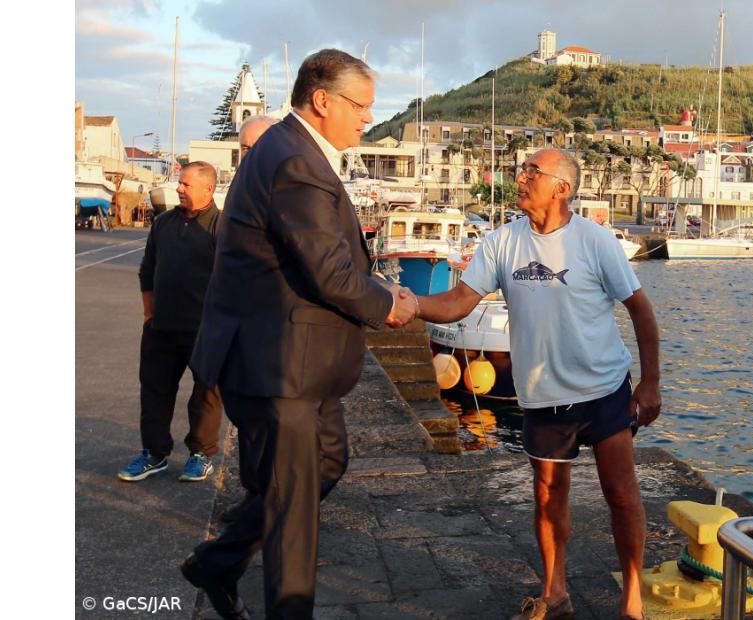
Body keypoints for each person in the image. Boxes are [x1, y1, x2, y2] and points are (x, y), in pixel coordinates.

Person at [180, 49, 417, 620]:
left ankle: (218, 562)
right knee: (294, 512)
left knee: (327, 464)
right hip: (277, 362)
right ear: (322, 100)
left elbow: (323, 256)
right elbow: (330, 272)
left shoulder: (299, 154)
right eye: (361, 106)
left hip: (301, 364)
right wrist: (390, 305)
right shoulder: (295, 161)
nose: (367, 118)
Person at [405, 148, 661, 620]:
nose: (520, 178)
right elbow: (461, 300)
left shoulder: (595, 241)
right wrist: (414, 304)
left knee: (621, 494)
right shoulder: (502, 242)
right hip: (542, 397)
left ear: (561, 188)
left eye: (532, 172)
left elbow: (640, 310)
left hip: (604, 389)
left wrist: (650, 384)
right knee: (548, 496)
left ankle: (633, 600)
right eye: (522, 170)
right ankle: (556, 591)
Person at [118, 161, 224, 483]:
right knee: (154, 392)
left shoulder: (224, 228)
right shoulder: (163, 223)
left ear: (208, 189)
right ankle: (154, 453)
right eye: (180, 183)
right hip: (161, 329)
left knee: (206, 395)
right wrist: (149, 315)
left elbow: (236, 281)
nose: (178, 188)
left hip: (205, 331)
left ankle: (200, 454)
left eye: (186, 185)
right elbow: (146, 270)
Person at [218, 113, 278, 524]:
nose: (248, 156)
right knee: (248, 425)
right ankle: (253, 497)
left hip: (274, 333)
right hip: (237, 330)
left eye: (255, 149)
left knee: (275, 429)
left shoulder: (283, 191)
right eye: (243, 150)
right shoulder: (238, 191)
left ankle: (271, 504)